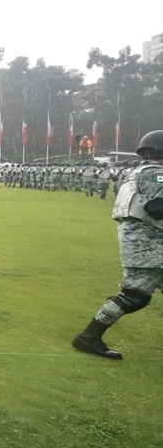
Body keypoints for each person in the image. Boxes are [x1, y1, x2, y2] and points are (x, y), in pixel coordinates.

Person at [72, 131, 163, 360]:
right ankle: (89, 336)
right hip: (149, 244)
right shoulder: (156, 175)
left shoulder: (136, 172)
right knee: (135, 295)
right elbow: (156, 208)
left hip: (142, 239)